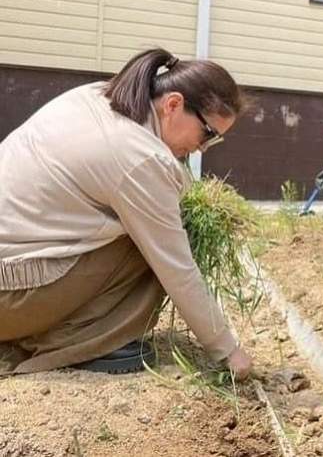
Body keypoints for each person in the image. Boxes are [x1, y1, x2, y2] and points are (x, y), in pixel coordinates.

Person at [0, 48, 253, 379]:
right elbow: (177, 268)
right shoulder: (140, 157)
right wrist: (228, 350)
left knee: (151, 227)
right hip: (10, 298)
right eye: (208, 133)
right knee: (153, 244)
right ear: (173, 104)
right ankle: (74, 338)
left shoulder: (95, 96)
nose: (204, 147)